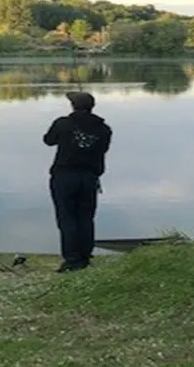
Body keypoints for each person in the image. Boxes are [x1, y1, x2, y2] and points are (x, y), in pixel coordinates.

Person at [43, 90, 112, 272]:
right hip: (89, 178)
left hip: (64, 177)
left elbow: (48, 140)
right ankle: (85, 257)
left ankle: (72, 260)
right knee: (86, 218)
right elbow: (102, 150)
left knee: (67, 218)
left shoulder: (63, 123)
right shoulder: (104, 129)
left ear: (73, 106)